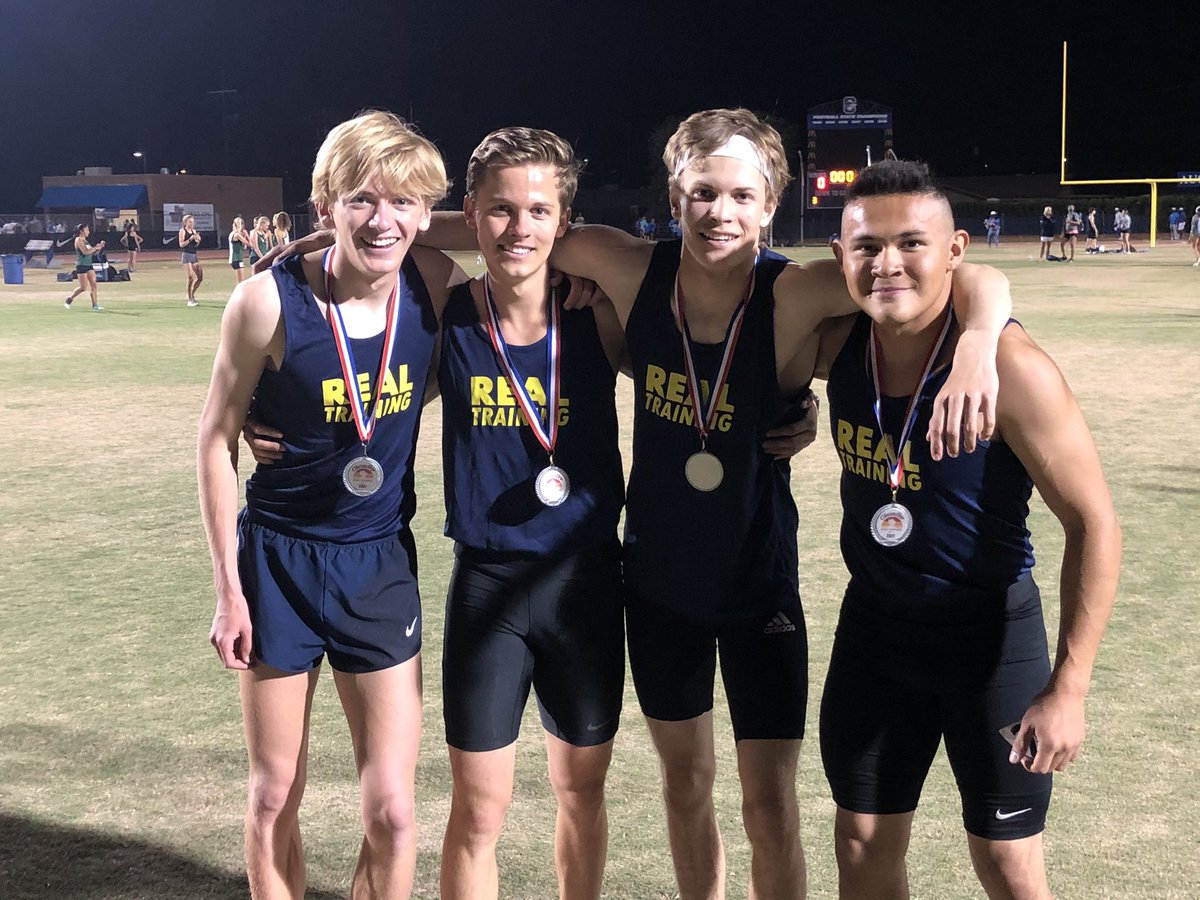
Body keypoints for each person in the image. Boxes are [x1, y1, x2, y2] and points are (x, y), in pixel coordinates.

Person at [416, 107, 1011, 900]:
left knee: (769, 805)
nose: (719, 213)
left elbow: (957, 272)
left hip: (759, 587)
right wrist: (336, 231)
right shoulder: (629, 268)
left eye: (740, 196)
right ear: (675, 198)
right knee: (686, 785)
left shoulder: (794, 294)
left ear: (770, 206)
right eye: (702, 193)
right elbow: (499, 224)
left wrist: (980, 340)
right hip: (659, 589)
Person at [816, 159, 1121, 900]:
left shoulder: (1013, 369)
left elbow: (1094, 523)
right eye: (867, 247)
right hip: (876, 634)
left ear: (954, 251)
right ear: (840, 254)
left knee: (1008, 863)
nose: (887, 263)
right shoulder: (833, 342)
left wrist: (1070, 688)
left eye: (911, 243)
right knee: (860, 843)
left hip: (989, 640)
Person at [197, 110, 460, 900]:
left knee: (395, 813)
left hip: (378, 565)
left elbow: (514, 236)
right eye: (360, 201)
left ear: (426, 211)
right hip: (277, 560)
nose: (383, 220)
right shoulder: (265, 303)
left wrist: (355, 219)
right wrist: (228, 590)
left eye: (404, 202)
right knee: (274, 793)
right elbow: (215, 440)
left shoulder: (436, 283)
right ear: (324, 206)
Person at [435, 126, 629, 900]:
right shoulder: (447, 314)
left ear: (565, 221)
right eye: (500, 209)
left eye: (540, 211)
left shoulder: (600, 312)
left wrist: (794, 413)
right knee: (479, 809)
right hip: (486, 586)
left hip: (586, 585)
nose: (520, 228)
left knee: (581, 791)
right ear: (470, 214)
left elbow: (696, 379)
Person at [64, 224, 105, 311]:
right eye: (86, 230)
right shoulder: (78, 240)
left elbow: (92, 253)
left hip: (89, 265)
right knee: (83, 287)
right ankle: (69, 299)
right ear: (81, 231)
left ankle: (95, 305)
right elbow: (85, 252)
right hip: (81, 266)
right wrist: (95, 248)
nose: (88, 231)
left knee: (94, 285)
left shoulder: (86, 241)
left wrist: (99, 248)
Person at [179, 214, 204, 306]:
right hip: (186, 255)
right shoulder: (183, 231)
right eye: (190, 222)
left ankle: (191, 294)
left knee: (200, 277)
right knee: (191, 277)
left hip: (194, 255)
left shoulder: (194, 231)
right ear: (185, 222)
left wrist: (198, 241)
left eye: (192, 222)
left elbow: (195, 245)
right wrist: (190, 239)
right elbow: (181, 244)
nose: (192, 223)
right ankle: (190, 300)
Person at [228, 216, 252, 283]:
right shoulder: (236, 235)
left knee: (241, 281)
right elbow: (249, 244)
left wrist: (244, 235)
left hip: (238, 258)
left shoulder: (234, 234)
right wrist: (247, 235)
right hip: (236, 259)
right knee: (241, 282)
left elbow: (244, 247)